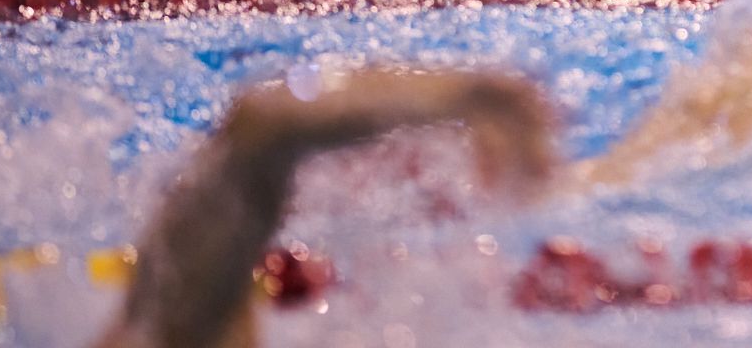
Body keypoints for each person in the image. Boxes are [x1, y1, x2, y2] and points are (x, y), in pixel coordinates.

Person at [90, 68, 554, 348]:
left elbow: (260, 126)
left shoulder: (162, 330)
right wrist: (470, 97)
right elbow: (260, 124)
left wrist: (464, 98)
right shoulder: (168, 332)